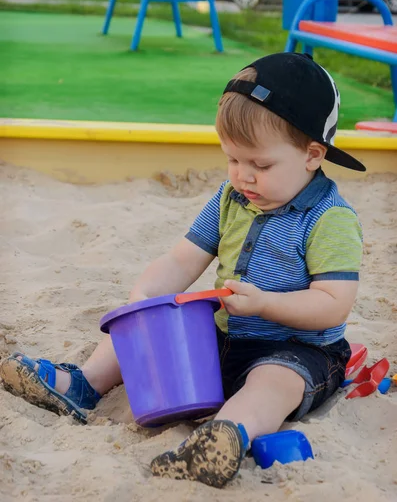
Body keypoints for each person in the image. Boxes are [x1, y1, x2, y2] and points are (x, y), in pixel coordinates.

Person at [0, 52, 364, 489]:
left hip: (297, 350)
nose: (243, 177)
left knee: (274, 381)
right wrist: (147, 297)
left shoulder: (329, 218)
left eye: (260, 165)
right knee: (147, 325)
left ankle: (226, 434)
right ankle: (82, 386)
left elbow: (333, 305)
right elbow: (183, 258)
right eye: (232, 160)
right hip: (223, 336)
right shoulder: (232, 198)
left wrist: (267, 304)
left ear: (311, 154)